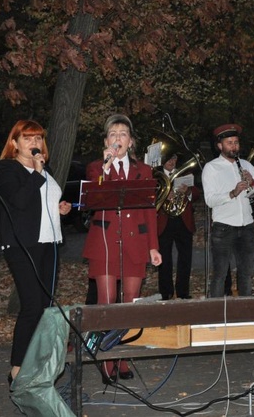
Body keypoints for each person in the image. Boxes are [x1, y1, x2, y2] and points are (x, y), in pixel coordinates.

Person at [82, 113, 163, 383]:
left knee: (130, 304)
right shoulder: (96, 167)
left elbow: (150, 211)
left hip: (136, 243)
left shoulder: (144, 171)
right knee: (107, 304)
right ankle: (106, 361)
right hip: (104, 243)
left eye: (123, 134)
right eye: (113, 134)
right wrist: (106, 168)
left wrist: (153, 247)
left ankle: (123, 358)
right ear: (106, 141)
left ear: (131, 142)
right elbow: (93, 196)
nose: (118, 138)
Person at [0, 120, 72, 384]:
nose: (35, 143)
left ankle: (36, 364)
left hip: (48, 243)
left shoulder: (44, 169)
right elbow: (18, 201)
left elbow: (42, 203)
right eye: (27, 138)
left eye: (38, 138)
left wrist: (60, 207)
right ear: (14, 143)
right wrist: (37, 175)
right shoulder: (6, 169)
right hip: (21, 245)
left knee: (46, 307)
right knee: (31, 306)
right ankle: (16, 370)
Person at [202, 123, 254, 297]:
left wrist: (252, 182)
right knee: (220, 275)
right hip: (223, 227)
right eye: (229, 142)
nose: (234, 146)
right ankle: (215, 315)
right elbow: (209, 200)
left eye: (236, 142)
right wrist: (232, 193)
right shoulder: (211, 168)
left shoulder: (246, 164)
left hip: (247, 225)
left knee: (246, 274)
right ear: (219, 146)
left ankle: (244, 314)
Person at [156, 153, 196, 300]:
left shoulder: (184, 173)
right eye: (169, 159)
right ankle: (165, 292)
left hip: (183, 220)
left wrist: (189, 192)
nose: (171, 162)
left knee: (185, 258)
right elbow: (150, 196)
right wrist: (164, 194)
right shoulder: (157, 175)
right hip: (164, 221)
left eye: (174, 159)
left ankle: (183, 292)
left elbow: (196, 194)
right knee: (164, 258)